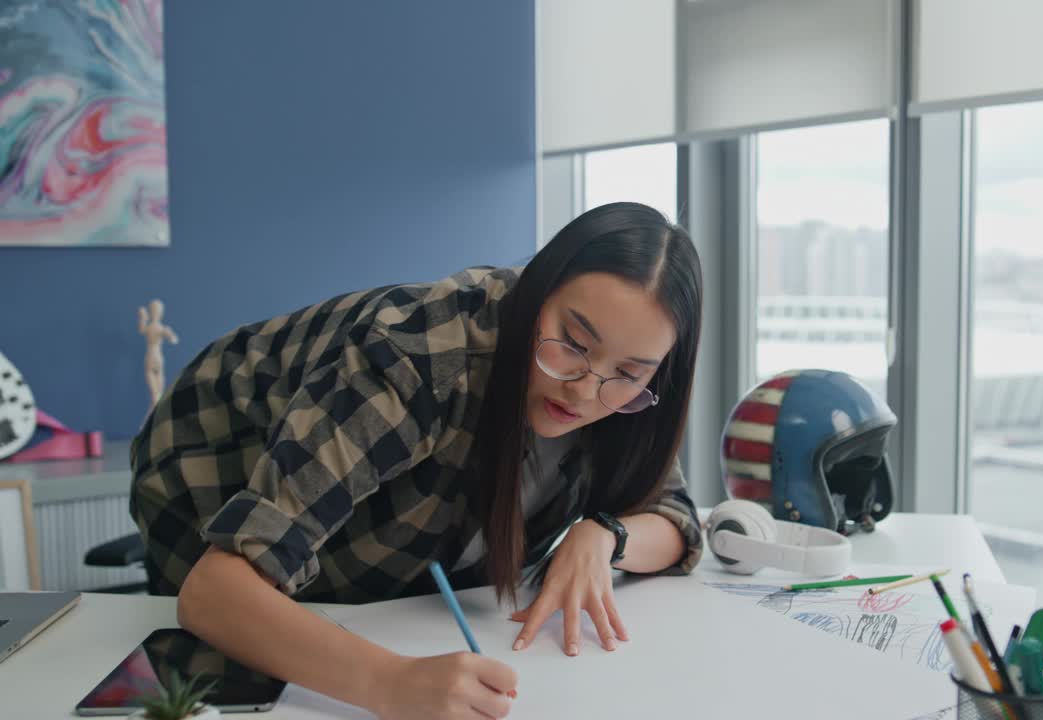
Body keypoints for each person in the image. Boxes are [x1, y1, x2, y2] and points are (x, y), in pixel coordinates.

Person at [129, 202, 704, 720]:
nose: (584, 390)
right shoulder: (421, 356)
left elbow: (677, 519)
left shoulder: (634, 397)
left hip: (393, 530)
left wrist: (603, 535)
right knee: (292, 635)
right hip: (208, 460)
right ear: (536, 293)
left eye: (628, 373)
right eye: (573, 343)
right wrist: (390, 683)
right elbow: (215, 592)